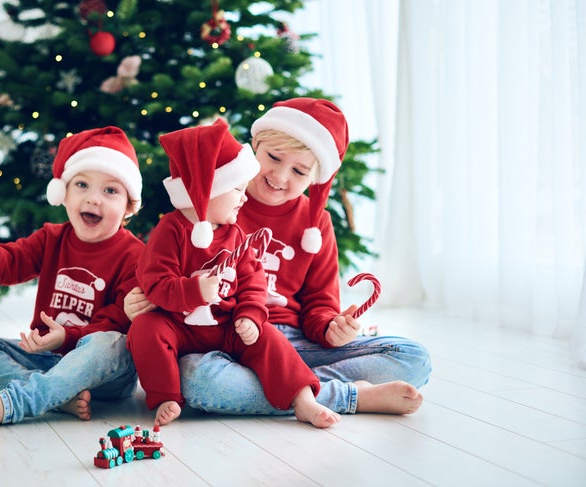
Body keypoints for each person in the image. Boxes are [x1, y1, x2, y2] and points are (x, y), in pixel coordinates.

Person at [126, 98, 431, 416]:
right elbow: (158, 273)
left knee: (413, 358)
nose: (280, 176)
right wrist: (135, 301)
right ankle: (343, 396)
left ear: (315, 179)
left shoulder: (316, 224)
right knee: (199, 379)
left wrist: (331, 328)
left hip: (294, 341)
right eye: (273, 157)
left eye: (299, 171)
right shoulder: (213, 207)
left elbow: (319, 303)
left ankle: (293, 385)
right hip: (224, 339)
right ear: (254, 145)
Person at [125, 118, 341, 428]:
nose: (244, 197)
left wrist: (250, 315)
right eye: (237, 189)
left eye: (299, 170)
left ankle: (303, 400)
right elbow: (154, 281)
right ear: (207, 192)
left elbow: (254, 281)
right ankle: (166, 395)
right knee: (146, 329)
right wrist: (193, 291)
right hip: (180, 326)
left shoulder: (234, 232)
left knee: (269, 338)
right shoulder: (170, 230)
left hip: (228, 326)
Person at [0, 126, 145, 435]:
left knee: (110, 343)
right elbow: (14, 259)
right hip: (46, 360)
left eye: (110, 190)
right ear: (63, 194)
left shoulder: (135, 255)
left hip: (103, 372)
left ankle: (14, 403)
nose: (94, 199)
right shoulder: (51, 238)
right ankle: (57, 396)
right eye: (82, 185)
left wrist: (68, 337)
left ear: (129, 206)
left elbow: (118, 321)